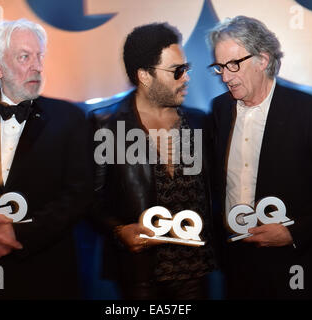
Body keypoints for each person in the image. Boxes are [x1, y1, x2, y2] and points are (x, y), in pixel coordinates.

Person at [0, 19, 93, 299]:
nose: (37, 65)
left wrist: (19, 236)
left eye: (40, 56)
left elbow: (79, 194)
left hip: (47, 275)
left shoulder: (69, 118)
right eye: (25, 56)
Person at [208, 16, 312, 299]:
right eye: (220, 67)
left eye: (234, 64)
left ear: (262, 59)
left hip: (296, 263)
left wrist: (293, 232)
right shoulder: (220, 109)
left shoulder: (307, 111)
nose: (225, 76)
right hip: (238, 264)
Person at [89, 23, 218, 299]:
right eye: (177, 71)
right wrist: (119, 230)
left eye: (187, 68)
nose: (186, 78)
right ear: (145, 76)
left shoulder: (198, 122)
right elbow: (91, 198)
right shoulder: (107, 125)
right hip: (139, 276)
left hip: (195, 272)